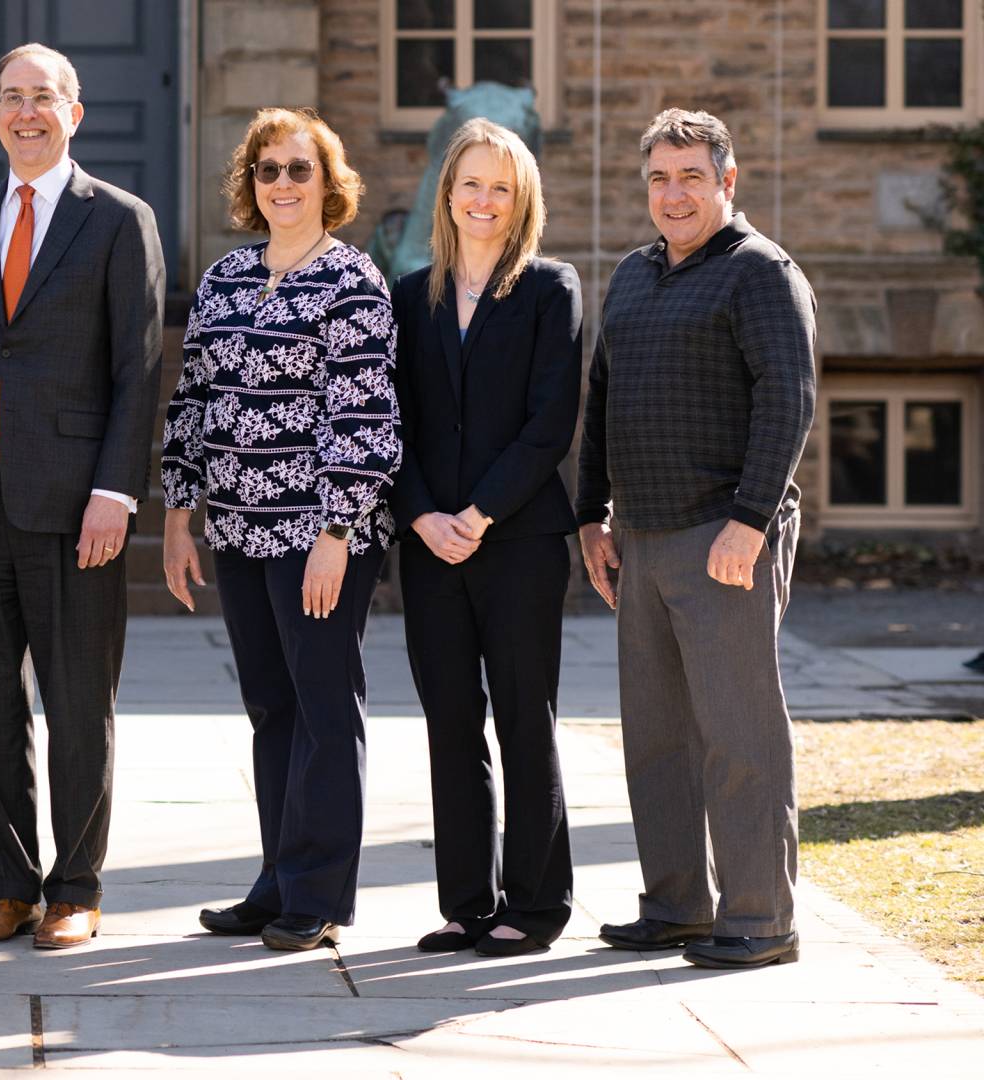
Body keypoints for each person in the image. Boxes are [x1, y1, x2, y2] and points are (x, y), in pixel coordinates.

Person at [0, 42, 164, 950]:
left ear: (75, 113)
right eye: (10, 98)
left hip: (77, 505)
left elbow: (136, 370)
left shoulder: (118, 219)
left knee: (76, 705)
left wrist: (116, 489)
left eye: (44, 97)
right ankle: (9, 886)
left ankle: (75, 888)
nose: (26, 112)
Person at [580, 109, 816, 970]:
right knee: (657, 738)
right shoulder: (635, 275)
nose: (673, 193)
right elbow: (600, 400)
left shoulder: (761, 274)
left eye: (690, 176)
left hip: (723, 537)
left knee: (738, 734)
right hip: (637, 539)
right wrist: (589, 516)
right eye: (658, 178)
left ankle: (759, 919)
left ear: (727, 180)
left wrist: (749, 522)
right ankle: (675, 905)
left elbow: (787, 401)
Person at [160, 107, 400, 952]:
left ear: (328, 184)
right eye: (268, 169)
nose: (284, 184)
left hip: (319, 536)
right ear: (249, 184)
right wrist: (179, 516)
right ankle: (276, 879)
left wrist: (337, 531)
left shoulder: (352, 281)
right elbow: (192, 403)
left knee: (324, 708)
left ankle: (320, 895)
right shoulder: (225, 278)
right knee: (271, 709)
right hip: (237, 529)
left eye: (301, 169)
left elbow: (365, 418)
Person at [390, 119, 583, 957]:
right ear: (447, 192)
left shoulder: (551, 290)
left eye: (501, 186)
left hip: (519, 541)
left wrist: (479, 514)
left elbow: (550, 426)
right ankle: (466, 903)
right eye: (471, 182)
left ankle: (534, 906)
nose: (484, 199)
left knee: (522, 718)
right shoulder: (406, 296)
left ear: (522, 200)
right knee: (450, 723)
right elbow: (384, 421)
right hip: (428, 544)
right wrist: (423, 513)